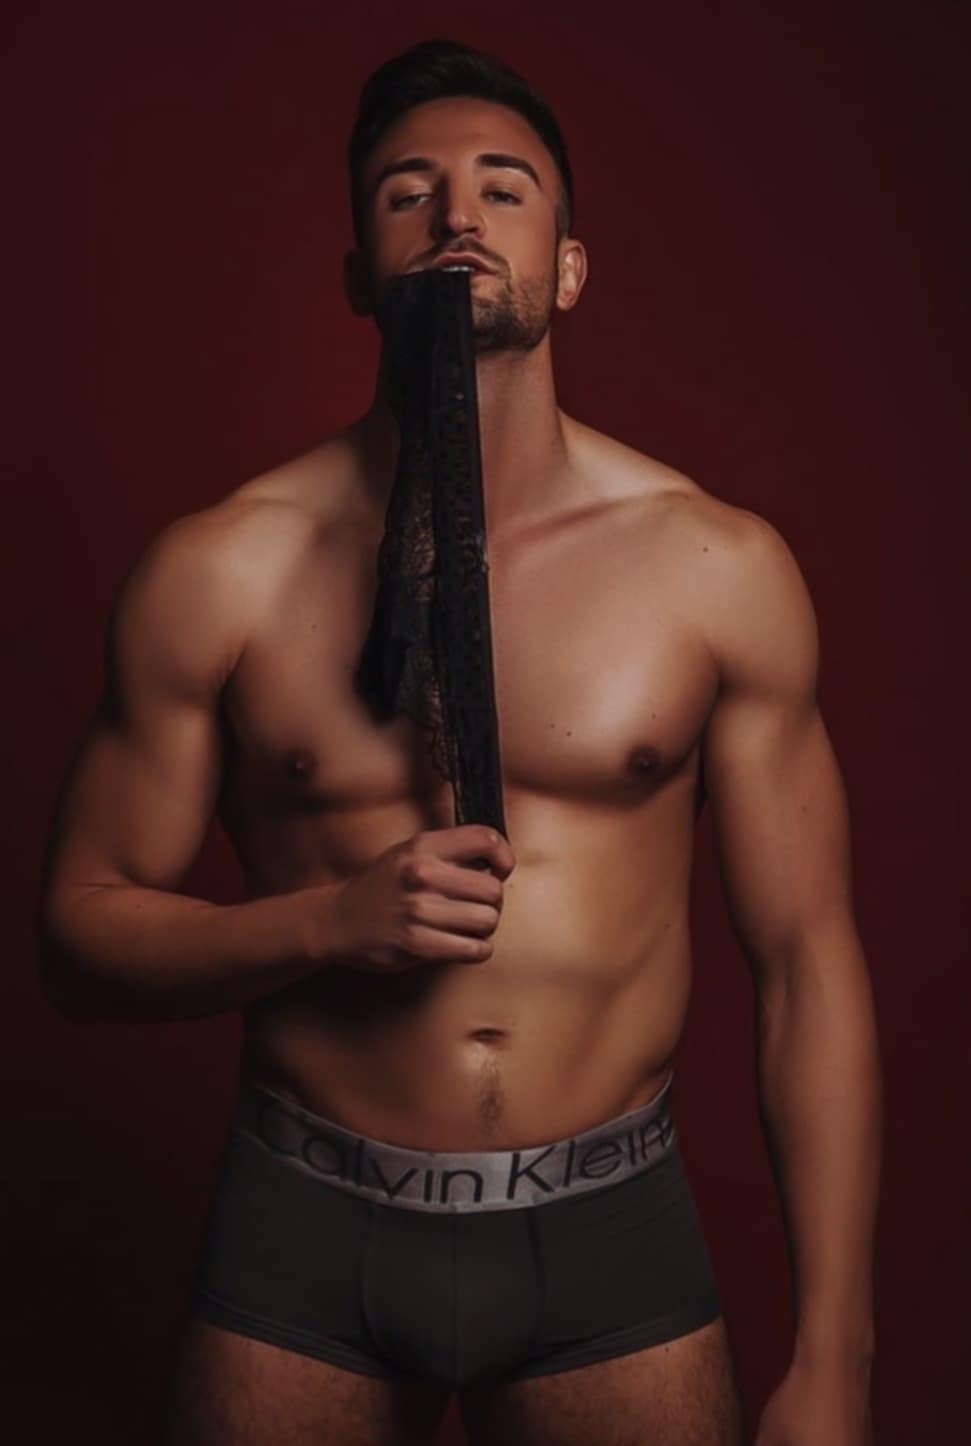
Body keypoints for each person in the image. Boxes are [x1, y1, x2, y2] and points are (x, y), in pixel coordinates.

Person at [37, 37, 881, 1446]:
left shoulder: (713, 569)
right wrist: (325, 921)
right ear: (357, 273)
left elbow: (808, 962)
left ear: (569, 266)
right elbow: (76, 939)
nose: (456, 216)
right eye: (407, 193)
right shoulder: (220, 572)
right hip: (305, 1231)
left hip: (608, 1237)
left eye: (504, 188)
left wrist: (837, 1354)